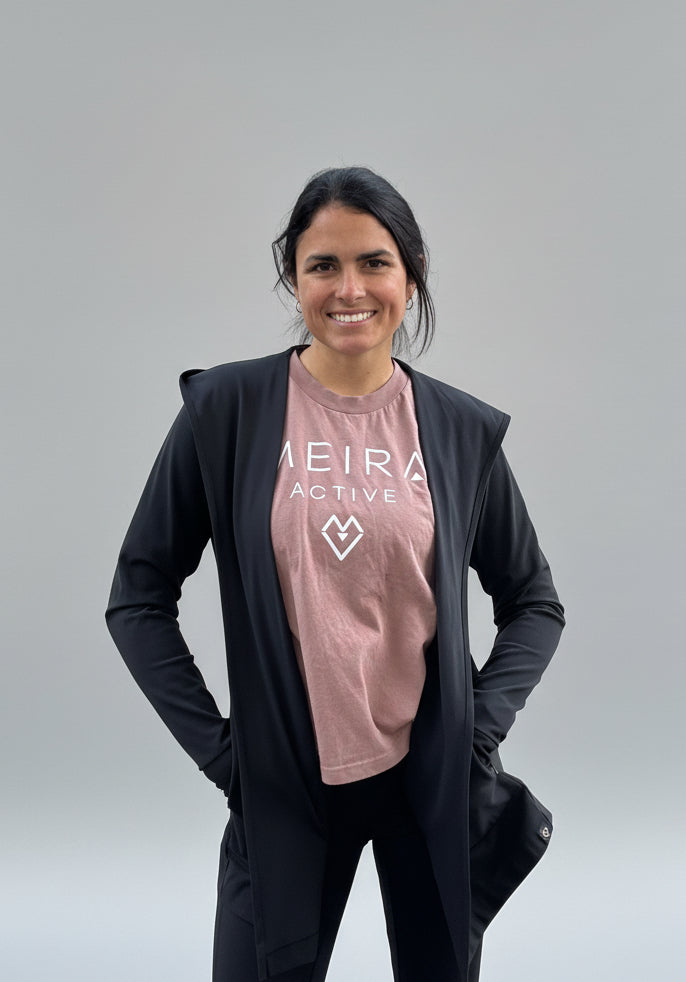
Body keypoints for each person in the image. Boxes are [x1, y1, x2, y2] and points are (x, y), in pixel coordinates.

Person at [105, 165, 565, 982]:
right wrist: (222, 753)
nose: (348, 288)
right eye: (323, 265)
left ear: (410, 279)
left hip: (426, 786)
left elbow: (532, 602)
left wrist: (477, 727)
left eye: (374, 262)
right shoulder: (228, 412)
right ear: (294, 276)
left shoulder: (457, 432)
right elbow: (138, 597)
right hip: (286, 782)